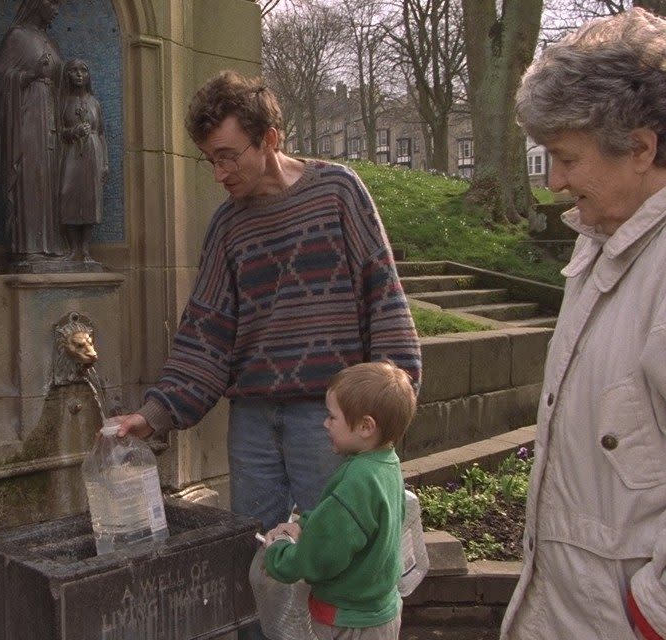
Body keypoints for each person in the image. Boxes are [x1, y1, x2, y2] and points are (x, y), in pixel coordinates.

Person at [111, 71, 421, 639]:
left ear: (270, 138)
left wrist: (393, 405)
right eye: (210, 160)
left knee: (339, 561)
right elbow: (205, 332)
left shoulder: (338, 193)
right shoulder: (228, 228)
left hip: (332, 421)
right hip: (254, 425)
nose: (219, 173)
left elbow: (384, 296)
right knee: (258, 566)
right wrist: (154, 415)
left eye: (229, 156)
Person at [501, 8, 666, 639]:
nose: (557, 181)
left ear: (642, 148)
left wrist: (650, 617)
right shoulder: (601, 238)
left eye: (566, 158)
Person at [262, 361, 416, 640]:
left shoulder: (358, 480)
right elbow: (338, 516)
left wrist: (278, 556)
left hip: (347, 620)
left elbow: (321, 556)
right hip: (381, 611)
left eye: (332, 417)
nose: (325, 424)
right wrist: (306, 524)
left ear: (365, 426)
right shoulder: (385, 464)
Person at [0, 0, 65, 267]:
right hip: (26, 120)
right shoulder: (18, 37)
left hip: (51, 120)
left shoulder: (51, 42)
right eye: (53, 2)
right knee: (31, 179)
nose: (56, 9)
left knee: (51, 181)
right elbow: (1, 77)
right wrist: (29, 76)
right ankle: (29, 247)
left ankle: (53, 245)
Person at [59, 58, 108, 263]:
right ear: (67, 75)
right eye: (74, 71)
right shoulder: (63, 103)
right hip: (71, 153)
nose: (79, 74)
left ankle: (86, 249)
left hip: (92, 153)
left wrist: (105, 163)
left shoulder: (94, 103)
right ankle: (72, 249)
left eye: (83, 71)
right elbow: (57, 132)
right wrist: (73, 131)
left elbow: (102, 133)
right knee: (67, 194)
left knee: (90, 198)